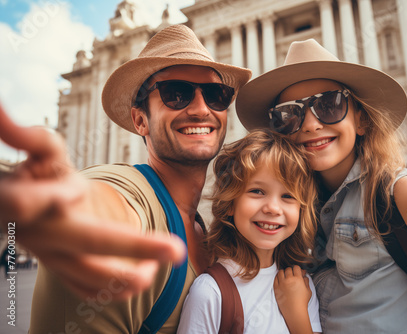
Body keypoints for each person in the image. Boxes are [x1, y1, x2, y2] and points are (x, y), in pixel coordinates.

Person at [235, 39, 407, 333]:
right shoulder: (287, 208)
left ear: (361, 120)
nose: (310, 124)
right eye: (289, 114)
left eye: (328, 104)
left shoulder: (403, 195)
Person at [0, 24, 251, 333]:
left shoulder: (206, 229)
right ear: (140, 120)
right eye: (176, 94)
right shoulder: (128, 189)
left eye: (216, 95)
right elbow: (109, 202)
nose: (201, 109)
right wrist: (72, 211)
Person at [177, 129, 322, 334]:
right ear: (230, 203)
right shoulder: (210, 292)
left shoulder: (301, 285)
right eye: (257, 191)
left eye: (288, 195)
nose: (273, 208)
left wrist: (297, 314)